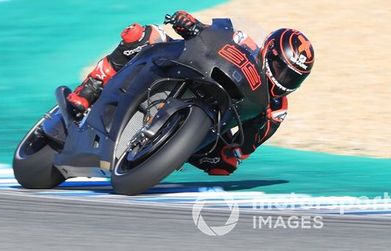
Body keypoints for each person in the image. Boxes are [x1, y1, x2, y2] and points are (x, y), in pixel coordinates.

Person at [66, 11, 315, 176]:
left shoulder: (277, 107)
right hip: (192, 69)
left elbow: (244, 147)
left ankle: (167, 146)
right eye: (282, 70)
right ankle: (92, 86)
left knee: (223, 166)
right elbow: (211, 35)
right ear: (268, 51)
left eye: (293, 77)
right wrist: (190, 24)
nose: (284, 80)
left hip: (215, 121)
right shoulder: (245, 42)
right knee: (144, 34)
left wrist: (226, 155)